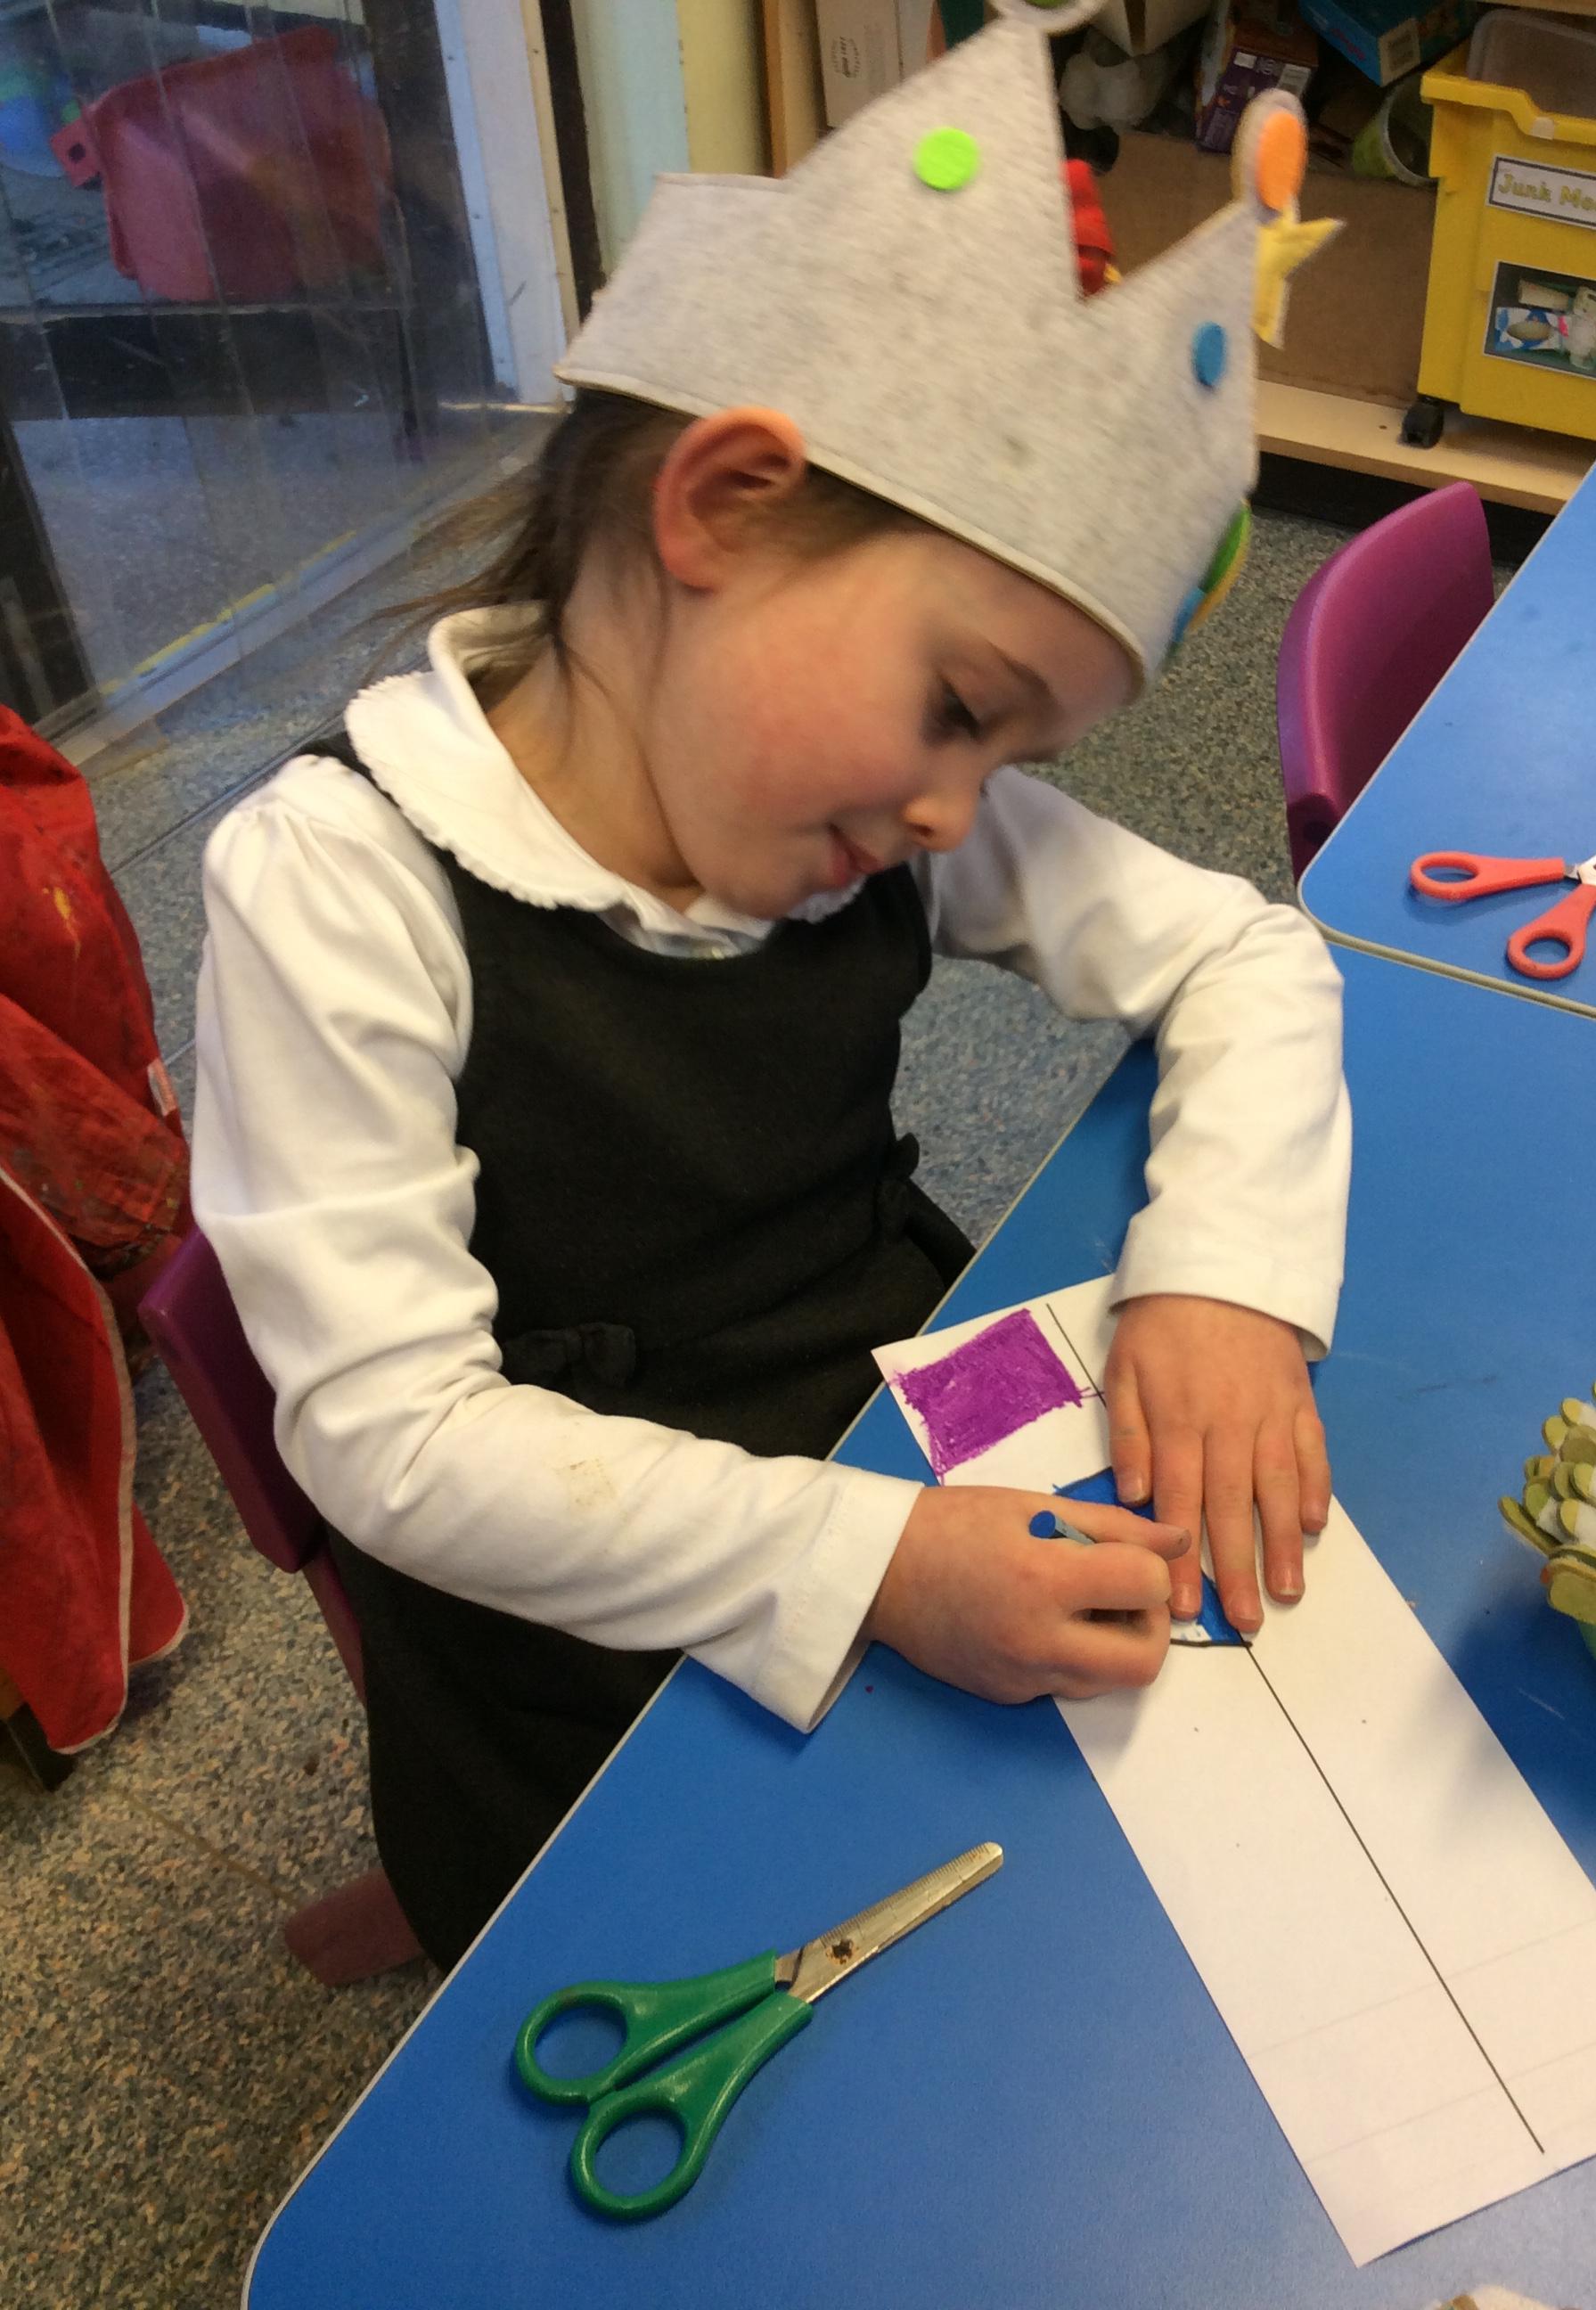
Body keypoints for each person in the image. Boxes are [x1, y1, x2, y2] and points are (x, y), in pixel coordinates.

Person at [192, 11, 1348, 1967]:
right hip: (589, 1657)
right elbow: (394, 1438)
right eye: (961, 708)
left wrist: (1224, 1275)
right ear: (721, 505)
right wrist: (871, 1561)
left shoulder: (874, 806)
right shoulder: (339, 882)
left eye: (1014, 760)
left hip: (907, 1426)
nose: (957, 810)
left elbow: (1242, 945)